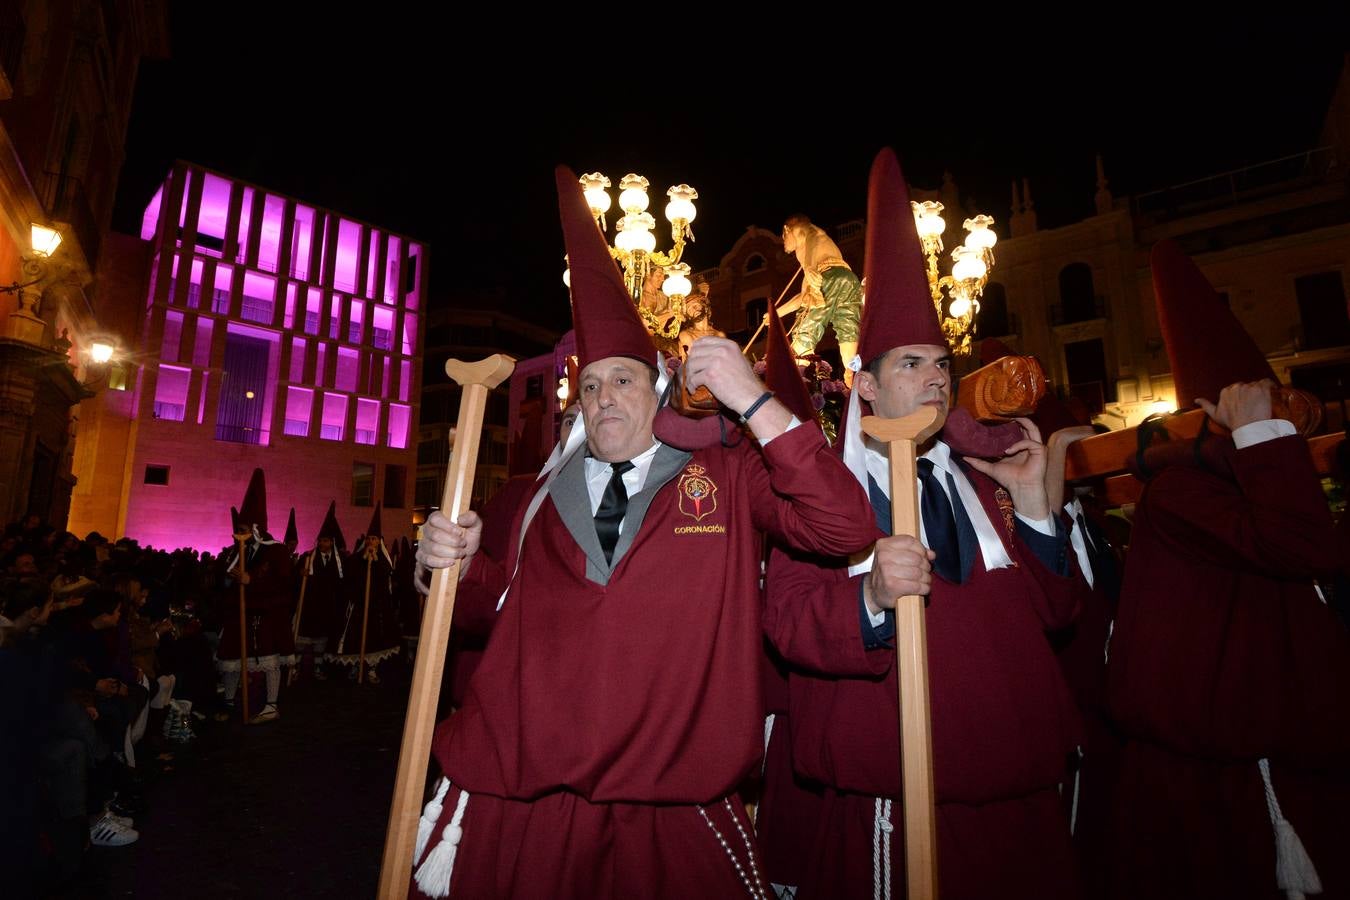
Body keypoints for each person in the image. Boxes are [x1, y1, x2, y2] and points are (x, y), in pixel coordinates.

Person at [406, 165, 875, 899]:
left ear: (660, 387)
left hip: (670, 809)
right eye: (589, 386)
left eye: (622, 379)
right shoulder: (538, 499)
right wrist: (453, 563)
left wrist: (755, 403)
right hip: (535, 803)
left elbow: (844, 522)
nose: (602, 399)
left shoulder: (723, 472)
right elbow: (488, 616)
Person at [758, 149, 1084, 900]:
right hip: (896, 809)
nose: (937, 378)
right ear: (866, 385)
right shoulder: (826, 496)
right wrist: (870, 599)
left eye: (942, 363)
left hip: (1020, 806)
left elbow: (1059, 615)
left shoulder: (987, 483)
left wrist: (1036, 509)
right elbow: (789, 624)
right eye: (912, 364)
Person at [1102, 241, 1350, 900]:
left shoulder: (1239, 487)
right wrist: (1259, 435)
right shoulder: (1183, 492)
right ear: (1227, 413)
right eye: (1270, 407)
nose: (1287, 424)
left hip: (1275, 761)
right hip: (1219, 787)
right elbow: (1302, 546)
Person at [216, 468, 295, 724]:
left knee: (269, 658)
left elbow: (283, 583)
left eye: (243, 529)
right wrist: (229, 579)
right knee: (232, 656)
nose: (239, 534)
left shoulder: (276, 552)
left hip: (266, 614)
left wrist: (253, 582)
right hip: (238, 614)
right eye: (237, 529)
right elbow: (224, 577)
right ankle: (229, 699)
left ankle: (271, 704)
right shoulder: (235, 552)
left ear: (255, 528)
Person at [776, 214, 862, 386]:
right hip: (848, 279)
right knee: (848, 331)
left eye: (784, 239)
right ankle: (854, 375)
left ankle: (799, 381)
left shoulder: (809, 234)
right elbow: (804, 298)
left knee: (805, 332)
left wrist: (809, 267)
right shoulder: (817, 255)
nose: (785, 245)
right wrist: (776, 313)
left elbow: (812, 236)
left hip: (828, 276)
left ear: (787, 230)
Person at [329, 504, 400, 684]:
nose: (371, 541)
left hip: (376, 607)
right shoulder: (356, 560)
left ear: (379, 541)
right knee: (356, 636)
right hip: (359, 605)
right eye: (369, 538)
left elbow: (385, 577)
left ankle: (372, 669)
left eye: (374, 539)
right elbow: (350, 576)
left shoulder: (382, 561)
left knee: (375, 638)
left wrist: (375, 562)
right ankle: (356, 666)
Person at [292, 501, 345, 681]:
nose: (324, 543)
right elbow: (295, 580)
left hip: (327, 605)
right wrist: (300, 574)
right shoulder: (307, 558)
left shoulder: (338, 561)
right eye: (321, 540)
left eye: (327, 540)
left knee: (322, 638)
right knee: (304, 636)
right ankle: (296, 668)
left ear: (332, 542)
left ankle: (317, 668)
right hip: (310, 605)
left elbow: (341, 582)